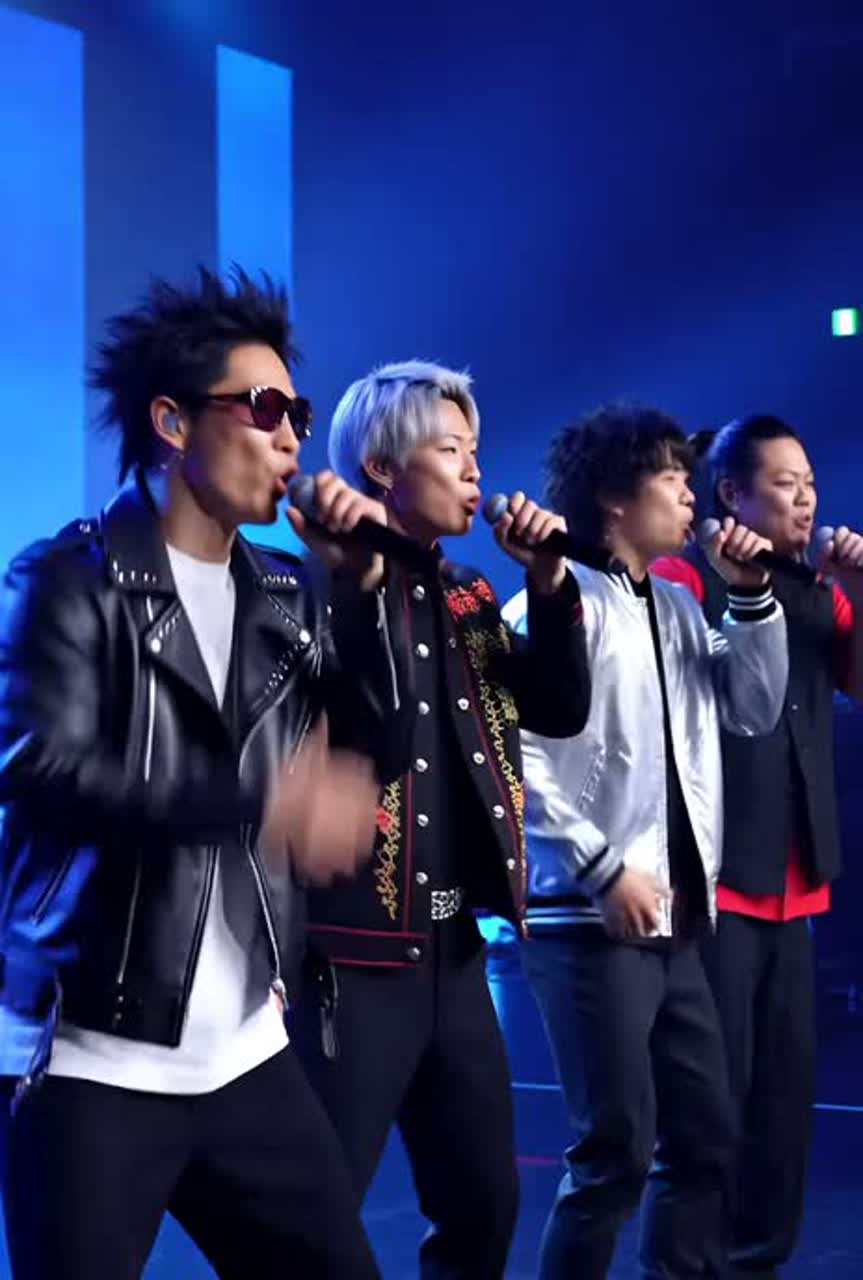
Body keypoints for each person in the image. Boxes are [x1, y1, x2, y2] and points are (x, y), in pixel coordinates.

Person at [0, 267, 414, 1280]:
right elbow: (38, 766)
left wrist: (360, 590)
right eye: (265, 409)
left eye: (298, 416)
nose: (290, 440)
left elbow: (374, 750)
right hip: (92, 1054)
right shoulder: (69, 579)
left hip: (243, 1050)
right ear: (173, 422)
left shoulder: (287, 593)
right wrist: (258, 799)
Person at [291, 359, 591, 1279]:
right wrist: (360, 579)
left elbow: (557, 707)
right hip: (349, 954)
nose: (474, 471)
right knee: (315, 1209)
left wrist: (548, 580)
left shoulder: (466, 593)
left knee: (485, 1202)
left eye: (475, 450)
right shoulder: (317, 583)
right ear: (383, 467)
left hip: (454, 952)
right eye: (451, 449)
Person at [502, 403, 789, 1280]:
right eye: (671, 477)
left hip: (678, 919)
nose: (690, 494)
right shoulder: (549, 603)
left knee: (704, 1138)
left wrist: (750, 596)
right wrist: (600, 869)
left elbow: (753, 708)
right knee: (612, 1154)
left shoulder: (676, 604)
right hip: (589, 921)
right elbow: (516, 760)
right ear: (613, 500)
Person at [652, 413, 863, 1278]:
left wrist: (857, 586)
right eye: (785, 484)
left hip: (794, 884)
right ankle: (684, 1265)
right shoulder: (679, 578)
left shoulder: (819, 588)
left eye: (810, 483)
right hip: (710, 884)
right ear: (731, 494)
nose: (805, 499)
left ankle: (758, 1261)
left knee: (782, 1103)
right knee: (708, 1105)